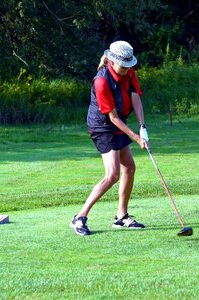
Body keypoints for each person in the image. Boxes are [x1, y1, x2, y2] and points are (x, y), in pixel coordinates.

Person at [71, 41, 150, 236]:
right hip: (102, 126)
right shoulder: (101, 81)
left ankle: (121, 216)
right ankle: (79, 217)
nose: (127, 70)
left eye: (129, 66)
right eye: (124, 66)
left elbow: (135, 97)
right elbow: (112, 117)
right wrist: (136, 139)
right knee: (112, 174)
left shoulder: (128, 71)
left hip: (118, 121)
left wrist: (142, 127)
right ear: (112, 62)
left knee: (130, 167)